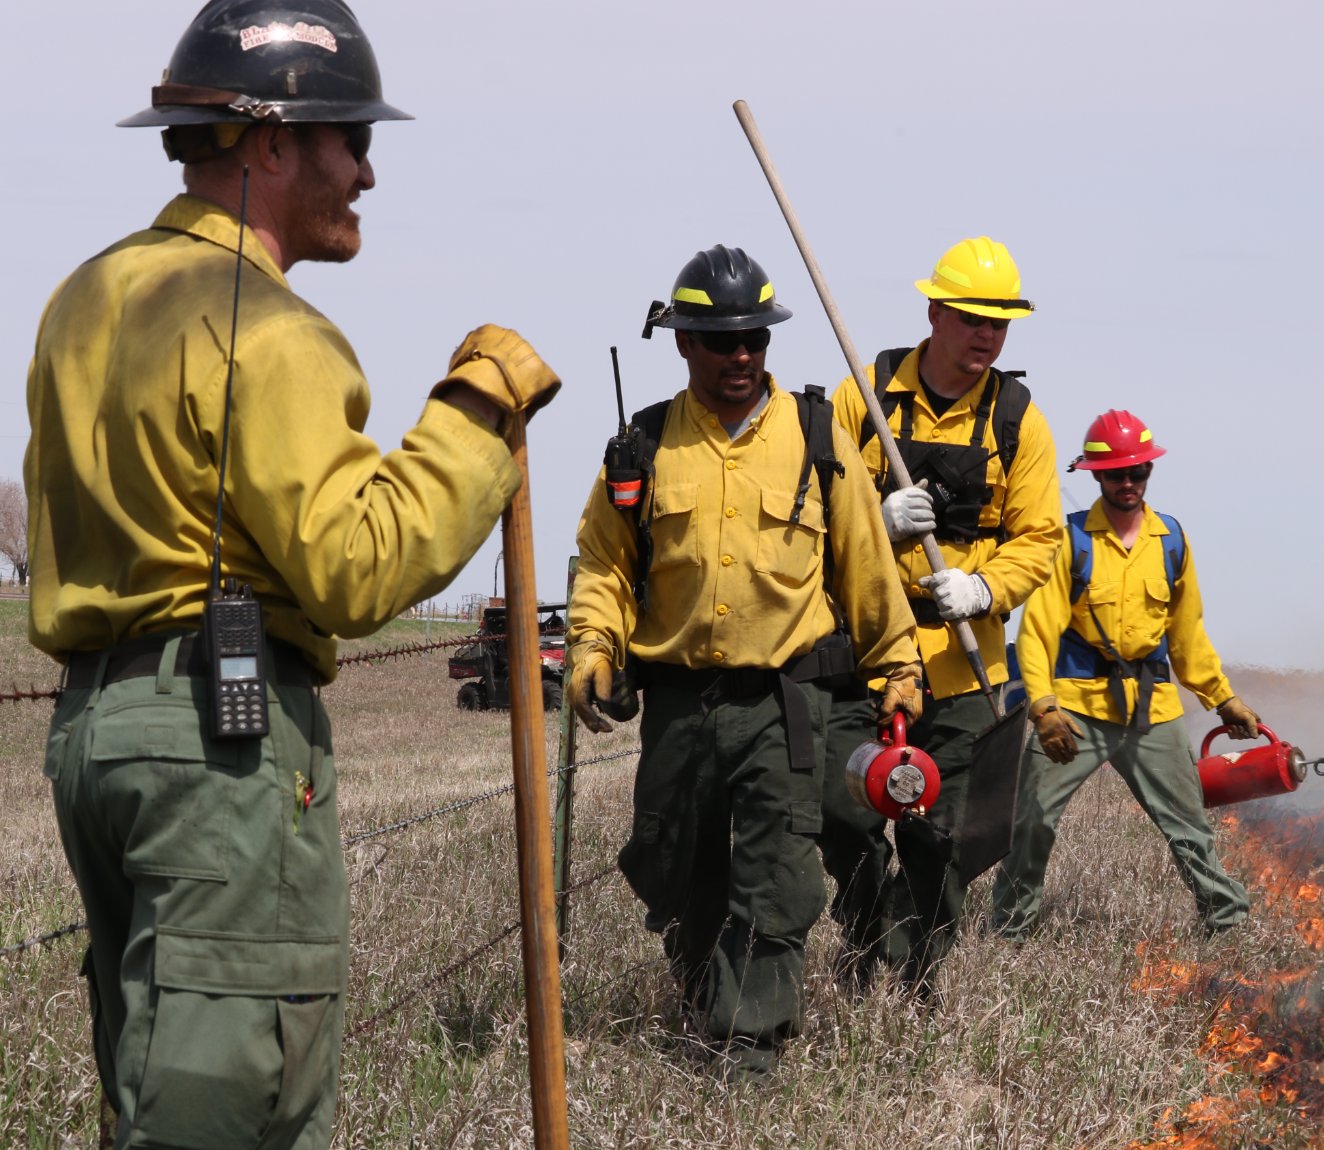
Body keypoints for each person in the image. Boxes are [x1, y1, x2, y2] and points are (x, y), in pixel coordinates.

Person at [25, 3, 560, 1145]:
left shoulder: (83, 298)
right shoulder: (269, 329)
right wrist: (472, 414)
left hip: (95, 735)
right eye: (348, 137)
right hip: (218, 750)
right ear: (267, 143)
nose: (365, 170)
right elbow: (355, 571)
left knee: (153, 1082)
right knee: (234, 1101)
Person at [566, 245, 921, 1076]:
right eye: (720, 340)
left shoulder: (815, 437)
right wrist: (593, 645)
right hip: (681, 703)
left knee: (777, 872)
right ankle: (704, 999)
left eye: (754, 339)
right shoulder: (642, 444)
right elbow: (605, 566)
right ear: (682, 341)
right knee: (675, 862)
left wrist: (898, 666)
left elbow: (869, 570)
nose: (741, 356)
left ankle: (746, 1046)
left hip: (785, 703)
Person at [821, 236, 1063, 993]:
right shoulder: (860, 397)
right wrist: (871, 515)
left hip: (965, 671)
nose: (987, 336)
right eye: (971, 318)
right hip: (864, 661)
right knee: (847, 823)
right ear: (934, 312)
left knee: (944, 838)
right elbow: (811, 511)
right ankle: (863, 945)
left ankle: (912, 974)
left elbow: (1041, 537)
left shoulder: (1020, 419)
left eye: (1001, 323)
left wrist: (985, 589)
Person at [990, 410, 1259, 940]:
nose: (1129, 483)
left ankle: (1229, 926)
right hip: (1074, 710)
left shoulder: (1171, 539)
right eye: (1117, 474)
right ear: (1096, 475)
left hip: (1152, 709)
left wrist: (1222, 699)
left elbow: (1187, 634)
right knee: (1033, 823)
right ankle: (1010, 932)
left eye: (1139, 472)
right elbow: (1038, 634)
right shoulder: (1069, 540)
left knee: (1189, 829)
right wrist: (1043, 708)